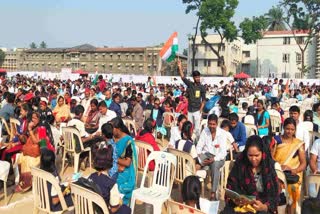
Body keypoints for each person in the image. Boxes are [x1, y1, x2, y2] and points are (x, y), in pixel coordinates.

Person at [222, 135, 279, 214]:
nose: (253, 159)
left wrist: (264, 207)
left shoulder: (268, 167)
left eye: (257, 155)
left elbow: (274, 195)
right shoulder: (240, 165)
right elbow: (231, 187)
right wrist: (236, 200)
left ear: (262, 153)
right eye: (250, 155)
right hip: (241, 206)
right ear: (246, 153)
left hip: (262, 205)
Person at [272, 117, 307, 213]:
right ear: (283, 128)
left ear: (295, 130)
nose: (289, 131)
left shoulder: (298, 144)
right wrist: (279, 166)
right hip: (277, 174)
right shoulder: (276, 140)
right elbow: (270, 159)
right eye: (287, 129)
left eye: (292, 129)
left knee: (292, 189)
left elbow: (303, 163)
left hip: (292, 176)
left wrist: (294, 170)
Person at [88, 146, 131, 213]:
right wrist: (120, 203)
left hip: (91, 209)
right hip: (103, 211)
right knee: (126, 209)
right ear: (110, 164)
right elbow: (113, 209)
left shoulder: (90, 177)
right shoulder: (111, 184)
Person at [196, 114, 227, 200]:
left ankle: (213, 192)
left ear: (217, 124)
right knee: (196, 164)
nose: (212, 126)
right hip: (206, 155)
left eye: (213, 124)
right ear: (207, 123)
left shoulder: (222, 133)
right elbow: (198, 147)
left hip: (218, 157)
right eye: (210, 124)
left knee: (214, 165)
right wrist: (201, 159)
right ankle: (193, 189)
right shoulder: (205, 131)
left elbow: (223, 152)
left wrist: (214, 159)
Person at [109, 117, 137, 205]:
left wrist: (113, 158)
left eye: (112, 128)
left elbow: (127, 163)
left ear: (118, 129)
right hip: (114, 166)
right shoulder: (112, 138)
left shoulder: (128, 141)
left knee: (115, 186)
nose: (110, 130)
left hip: (126, 170)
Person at [177, 60, 206, 141]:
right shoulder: (190, 84)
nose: (198, 78)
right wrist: (180, 67)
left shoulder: (202, 87)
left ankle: (197, 143)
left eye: (199, 77)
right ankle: (190, 142)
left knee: (197, 129)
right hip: (190, 110)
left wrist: (200, 110)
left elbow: (204, 100)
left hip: (197, 110)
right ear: (193, 78)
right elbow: (183, 77)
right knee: (189, 127)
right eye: (196, 77)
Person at [16, 112, 43, 192]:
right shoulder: (33, 126)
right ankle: (23, 181)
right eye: (32, 118)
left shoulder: (42, 128)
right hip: (32, 150)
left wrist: (30, 130)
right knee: (20, 157)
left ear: (39, 119)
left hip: (40, 152)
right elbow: (26, 140)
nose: (33, 120)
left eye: (35, 118)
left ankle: (27, 183)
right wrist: (20, 136)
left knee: (28, 161)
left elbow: (37, 142)